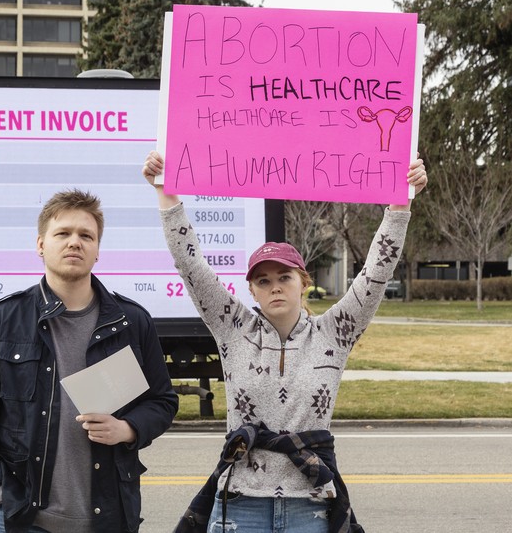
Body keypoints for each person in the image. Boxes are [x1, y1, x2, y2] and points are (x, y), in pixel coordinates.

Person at [142, 150, 427, 533]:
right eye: (263, 280)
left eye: (284, 277)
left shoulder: (335, 333)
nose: (274, 286)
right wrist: (166, 195)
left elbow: (377, 271)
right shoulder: (232, 328)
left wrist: (399, 203)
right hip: (239, 506)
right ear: (252, 291)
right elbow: (190, 265)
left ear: (303, 282)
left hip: (309, 508)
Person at [0, 189, 178, 533]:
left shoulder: (132, 322)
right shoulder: (3, 319)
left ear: (97, 250)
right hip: (25, 518)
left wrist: (128, 428)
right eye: (63, 233)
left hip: (109, 517)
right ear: (41, 245)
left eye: (86, 235)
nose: (75, 242)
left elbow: (163, 402)